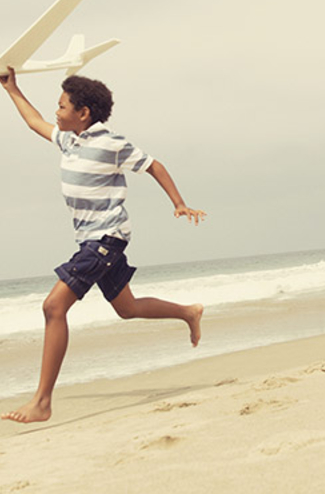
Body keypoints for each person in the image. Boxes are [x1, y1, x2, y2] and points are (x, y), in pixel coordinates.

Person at [0, 67, 206, 424]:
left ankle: (42, 402)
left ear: (83, 113)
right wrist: (11, 88)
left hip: (105, 239)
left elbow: (154, 165)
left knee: (53, 307)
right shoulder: (69, 140)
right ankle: (189, 312)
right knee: (126, 307)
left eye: (62, 106)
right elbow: (34, 122)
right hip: (92, 240)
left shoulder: (111, 144)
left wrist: (178, 203)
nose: (56, 111)